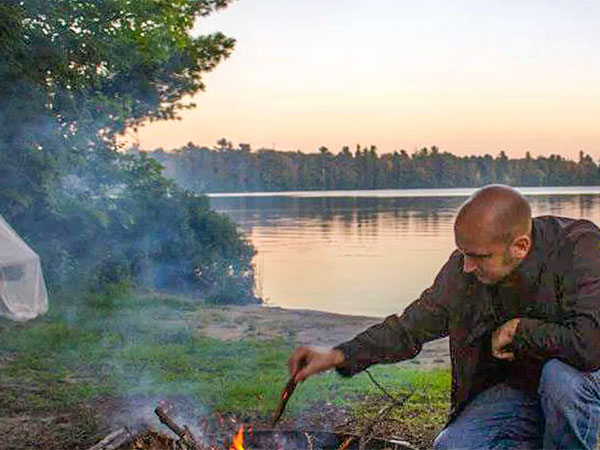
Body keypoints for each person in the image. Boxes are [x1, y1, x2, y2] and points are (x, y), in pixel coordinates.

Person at [287, 184, 600, 449]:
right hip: (522, 388)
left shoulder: (579, 248)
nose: (466, 267)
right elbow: (411, 328)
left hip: (581, 378)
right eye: (463, 253)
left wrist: (520, 330)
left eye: (478, 257)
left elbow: (590, 346)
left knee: (560, 380)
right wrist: (338, 355)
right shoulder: (466, 266)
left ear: (520, 246)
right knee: (451, 445)